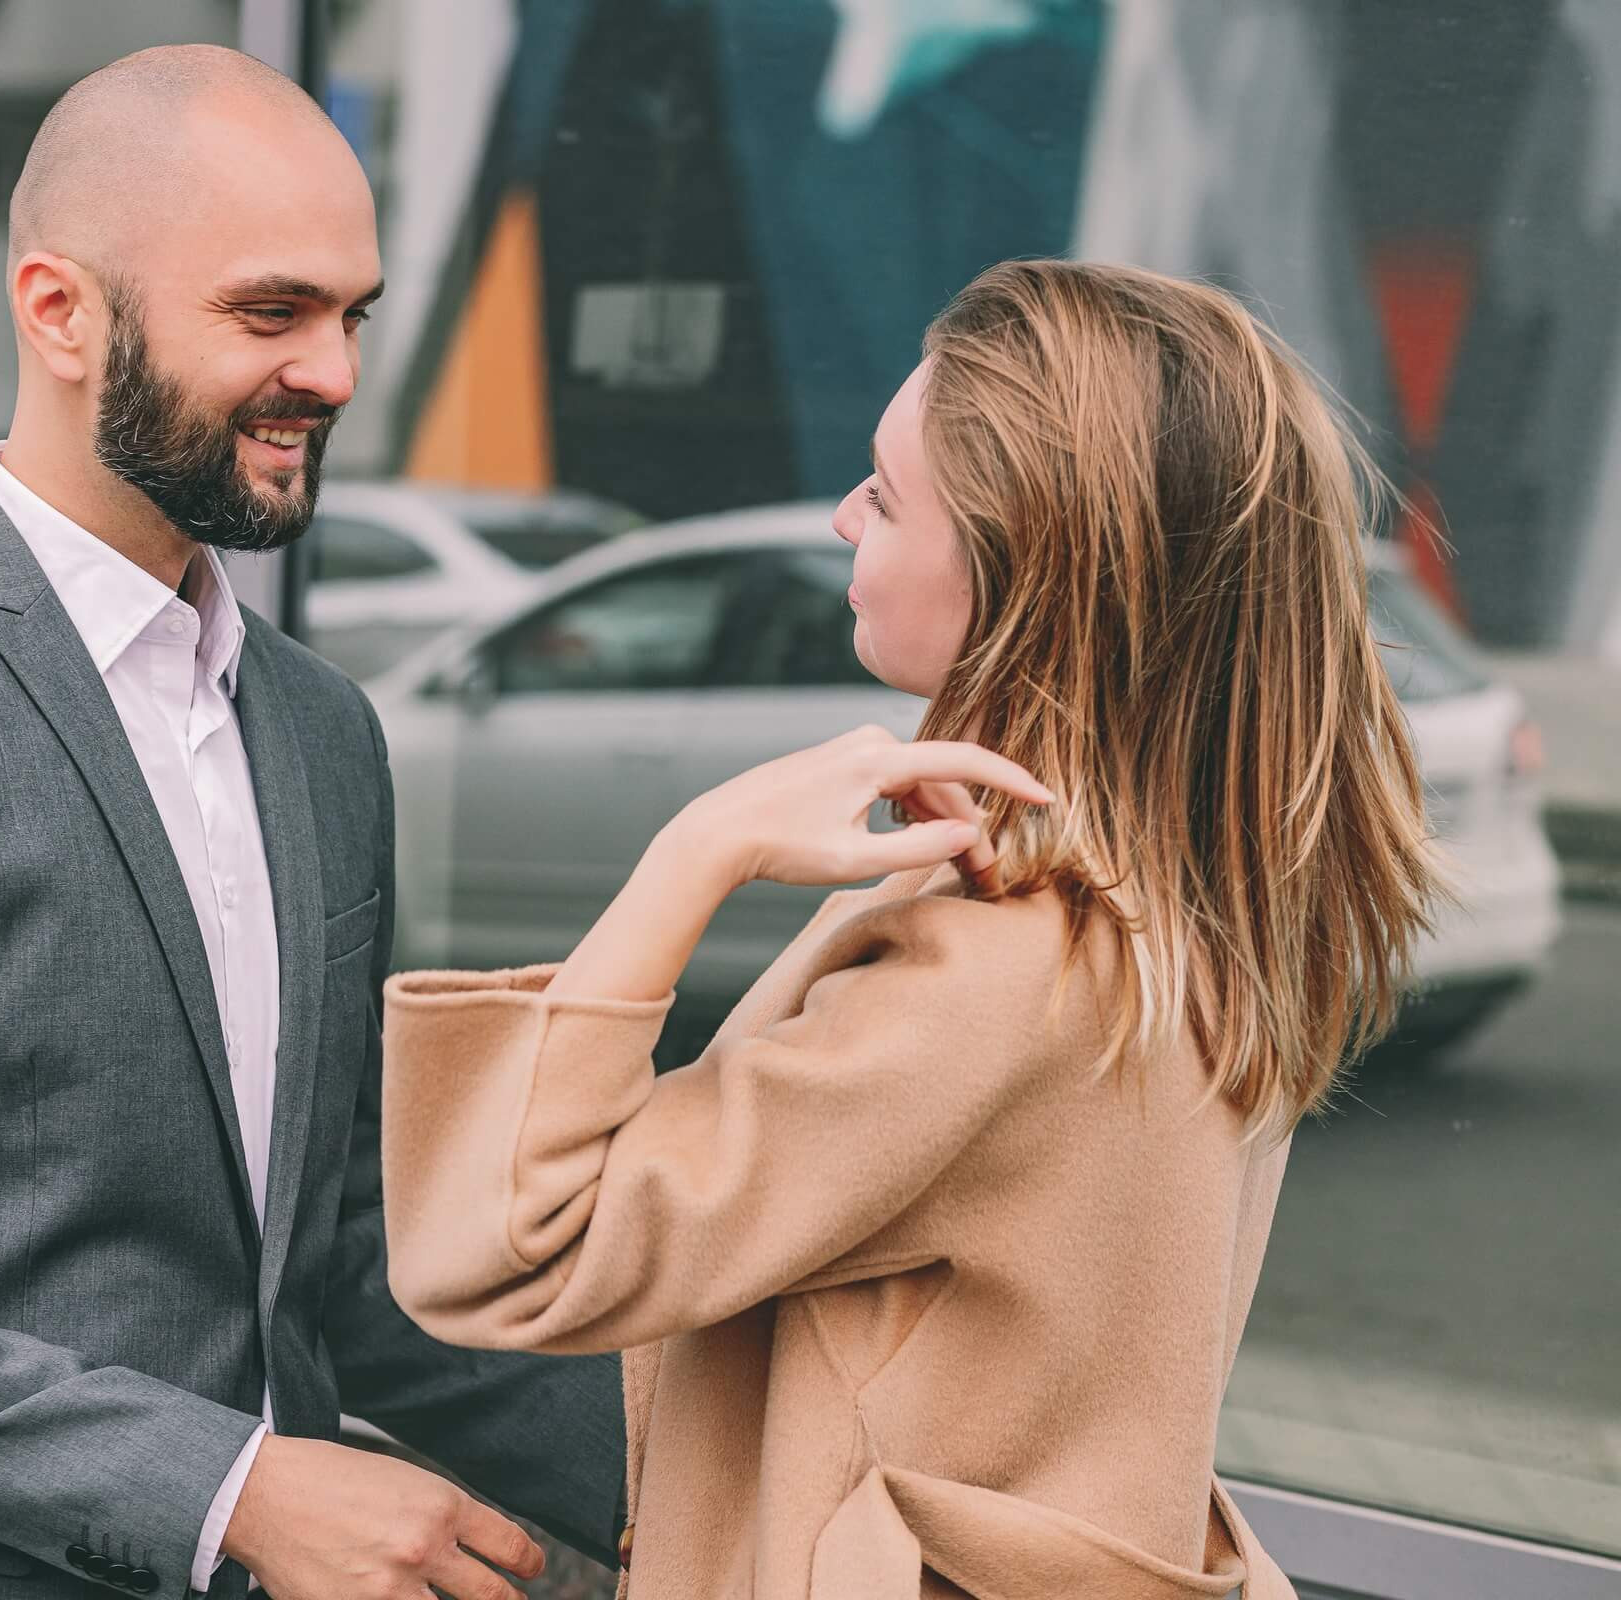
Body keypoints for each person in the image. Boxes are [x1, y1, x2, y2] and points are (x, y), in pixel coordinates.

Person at [0, 45, 622, 1600]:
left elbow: (349, 1259)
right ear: (61, 311)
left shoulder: (324, 732)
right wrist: (235, 1493)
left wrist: (739, 1496)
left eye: (351, 315)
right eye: (270, 312)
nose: (338, 375)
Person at [378, 259, 1440, 1599]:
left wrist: (696, 851)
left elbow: (512, 1254)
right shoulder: (1192, 909)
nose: (840, 519)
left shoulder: (996, 967)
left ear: (1024, 564)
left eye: (883, 495)